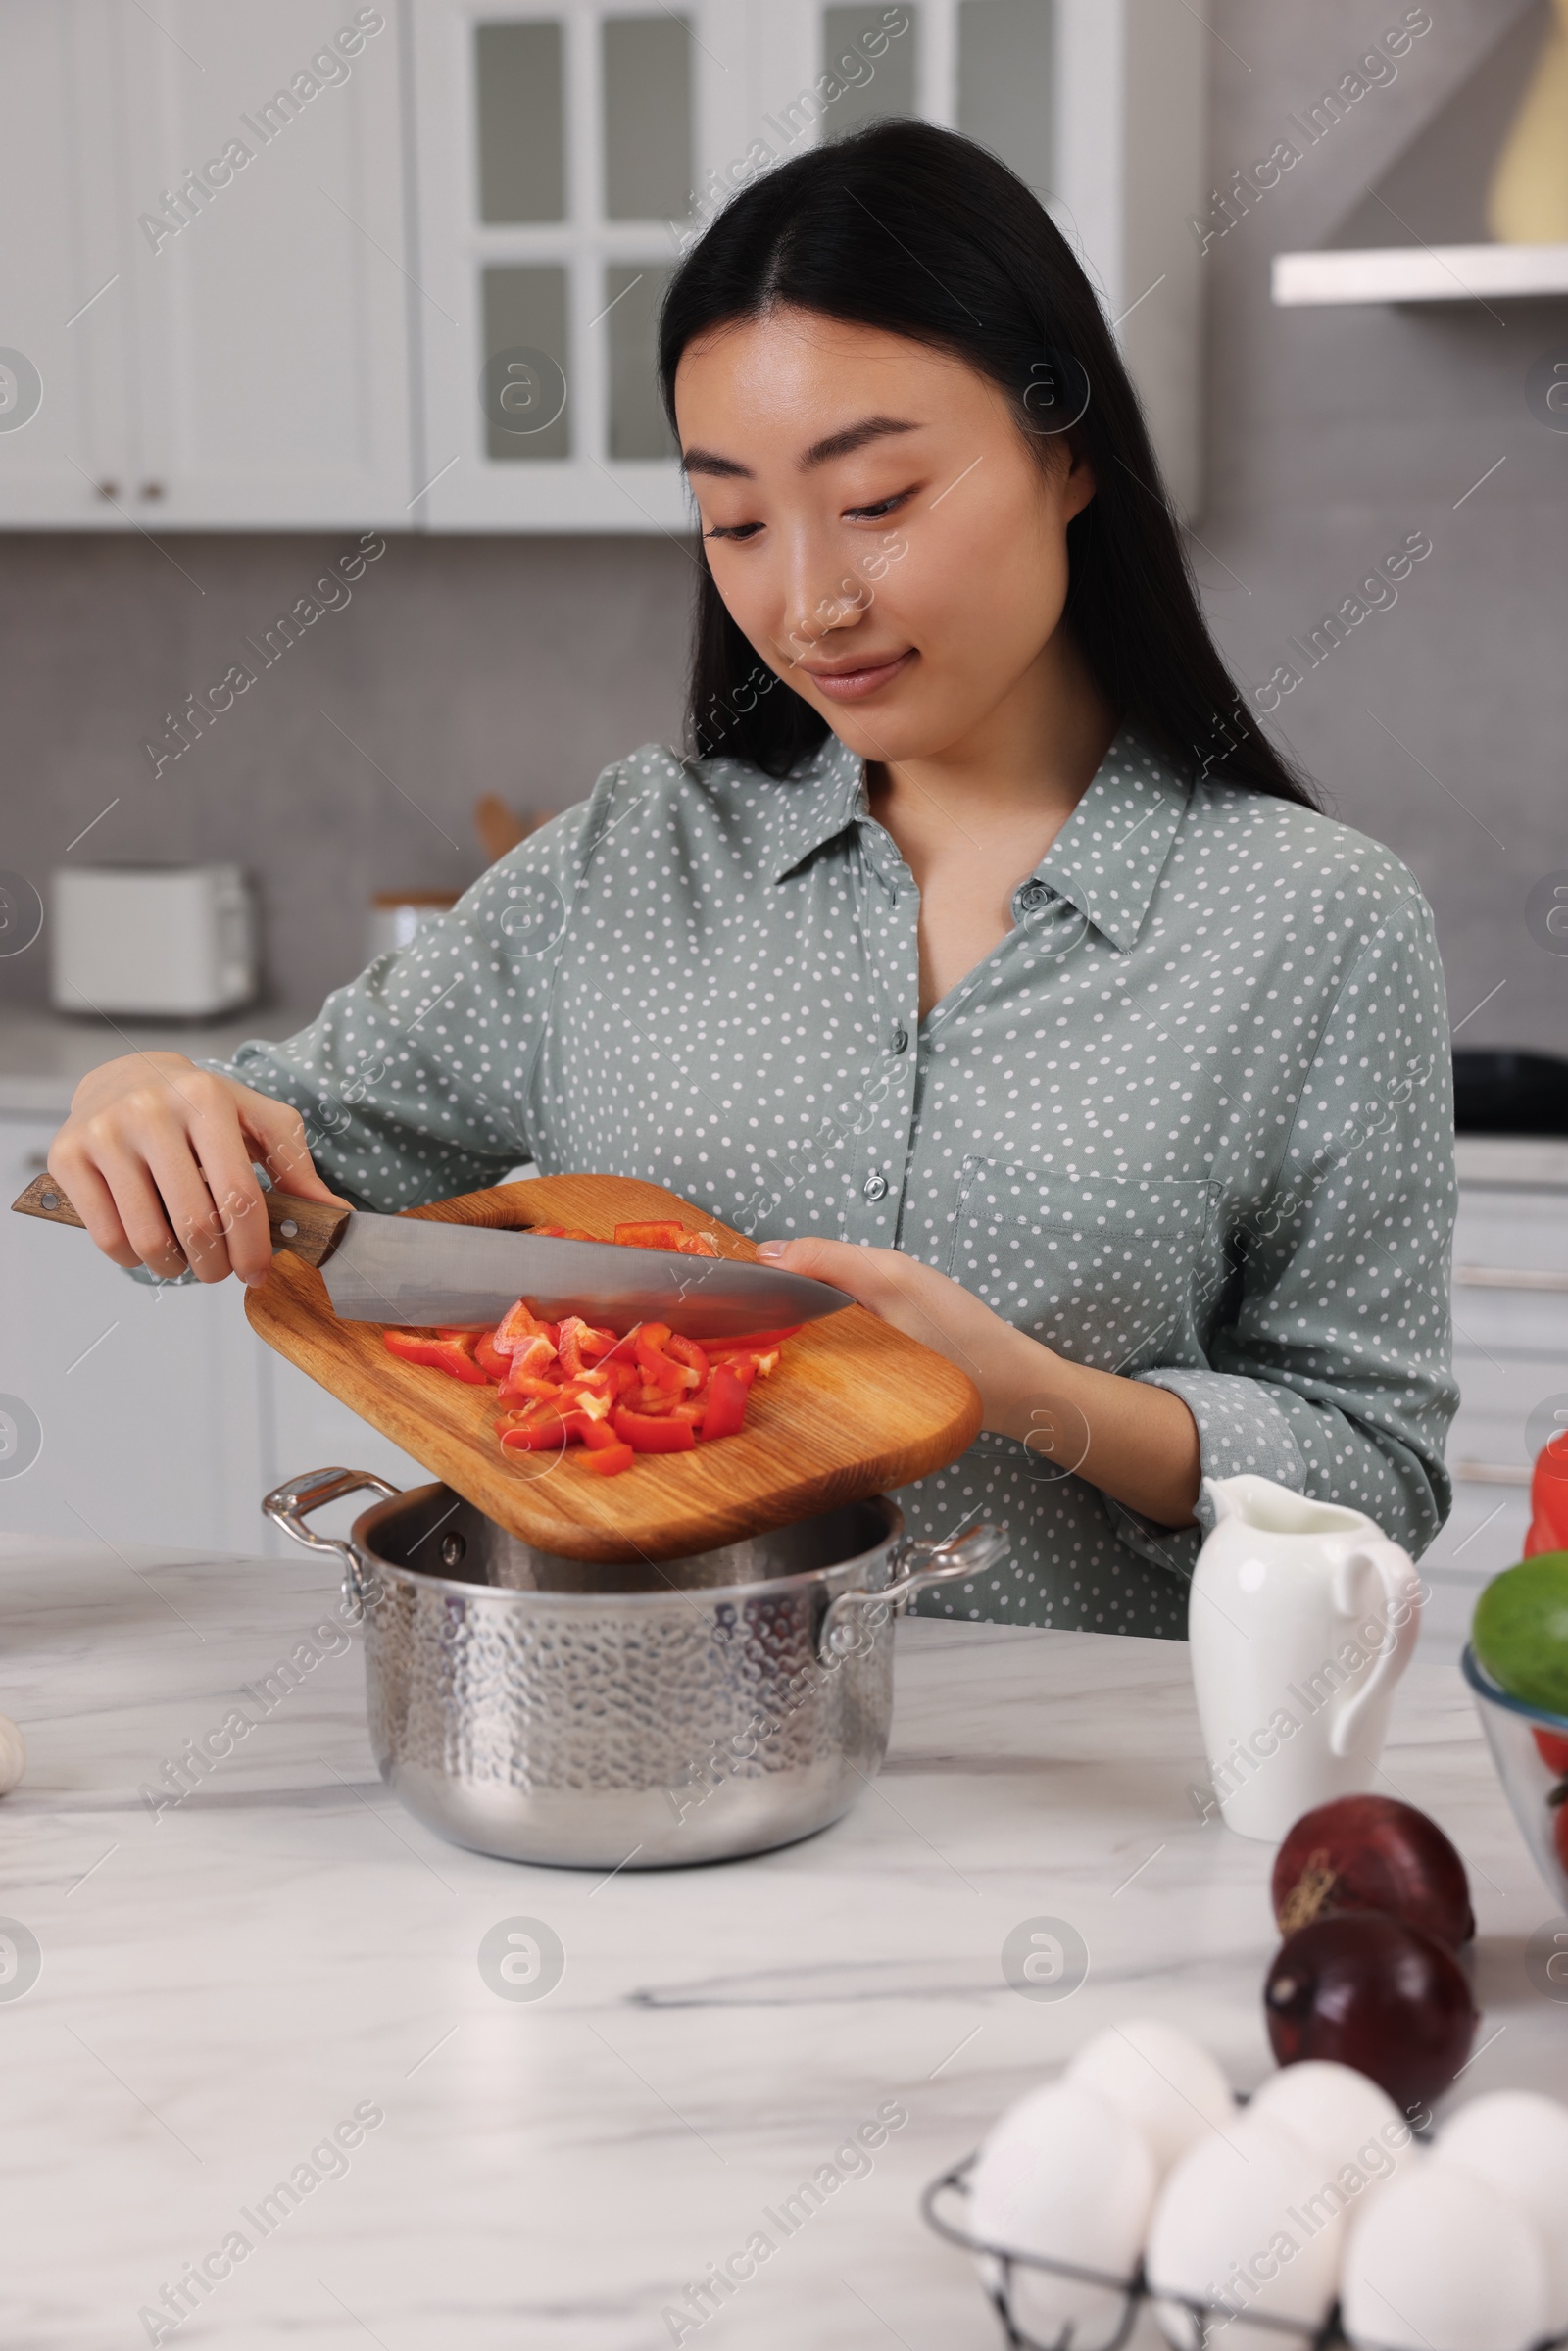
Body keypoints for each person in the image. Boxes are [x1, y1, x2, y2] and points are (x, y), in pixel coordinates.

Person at [47, 122, 1457, 1636]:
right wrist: (146, 1105)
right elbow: (283, 1178)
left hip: (1082, 1799)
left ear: (1069, 458)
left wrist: (1039, 1399)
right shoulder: (624, 865)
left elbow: (1376, 1475)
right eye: (734, 520)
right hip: (627, 1753)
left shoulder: (1315, 922)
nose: (809, 600)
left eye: (878, 501)